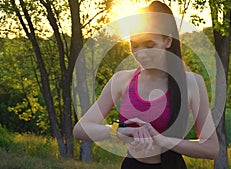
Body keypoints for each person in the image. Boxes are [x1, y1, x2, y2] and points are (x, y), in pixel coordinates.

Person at [73, 1, 219, 169]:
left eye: (150, 45)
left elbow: (211, 148)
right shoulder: (121, 80)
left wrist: (163, 140)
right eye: (134, 46)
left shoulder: (192, 83)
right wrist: (117, 131)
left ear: (168, 41)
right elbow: (81, 129)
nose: (141, 53)